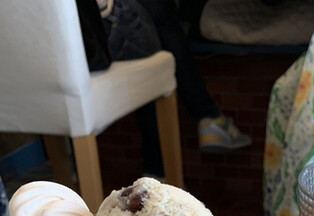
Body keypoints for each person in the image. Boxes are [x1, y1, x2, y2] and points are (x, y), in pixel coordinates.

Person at [84, 0, 252, 179]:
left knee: (157, 19)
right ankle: (207, 119)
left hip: (77, 52)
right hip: (101, 33)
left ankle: (158, 167)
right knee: (159, 20)